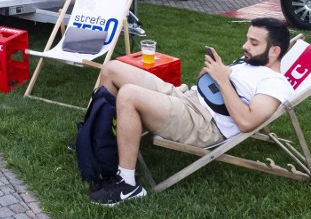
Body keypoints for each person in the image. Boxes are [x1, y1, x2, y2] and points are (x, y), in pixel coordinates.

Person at [88, 18, 294, 206]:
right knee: (112, 68)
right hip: (188, 98)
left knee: (129, 95)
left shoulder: (274, 84)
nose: (245, 46)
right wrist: (213, 72)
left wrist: (222, 79)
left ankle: (127, 184)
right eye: (247, 39)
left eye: (254, 43)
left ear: (275, 51)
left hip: (204, 124)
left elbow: (247, 122)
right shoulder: (250, 60)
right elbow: (214, 84)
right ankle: (98, 136)